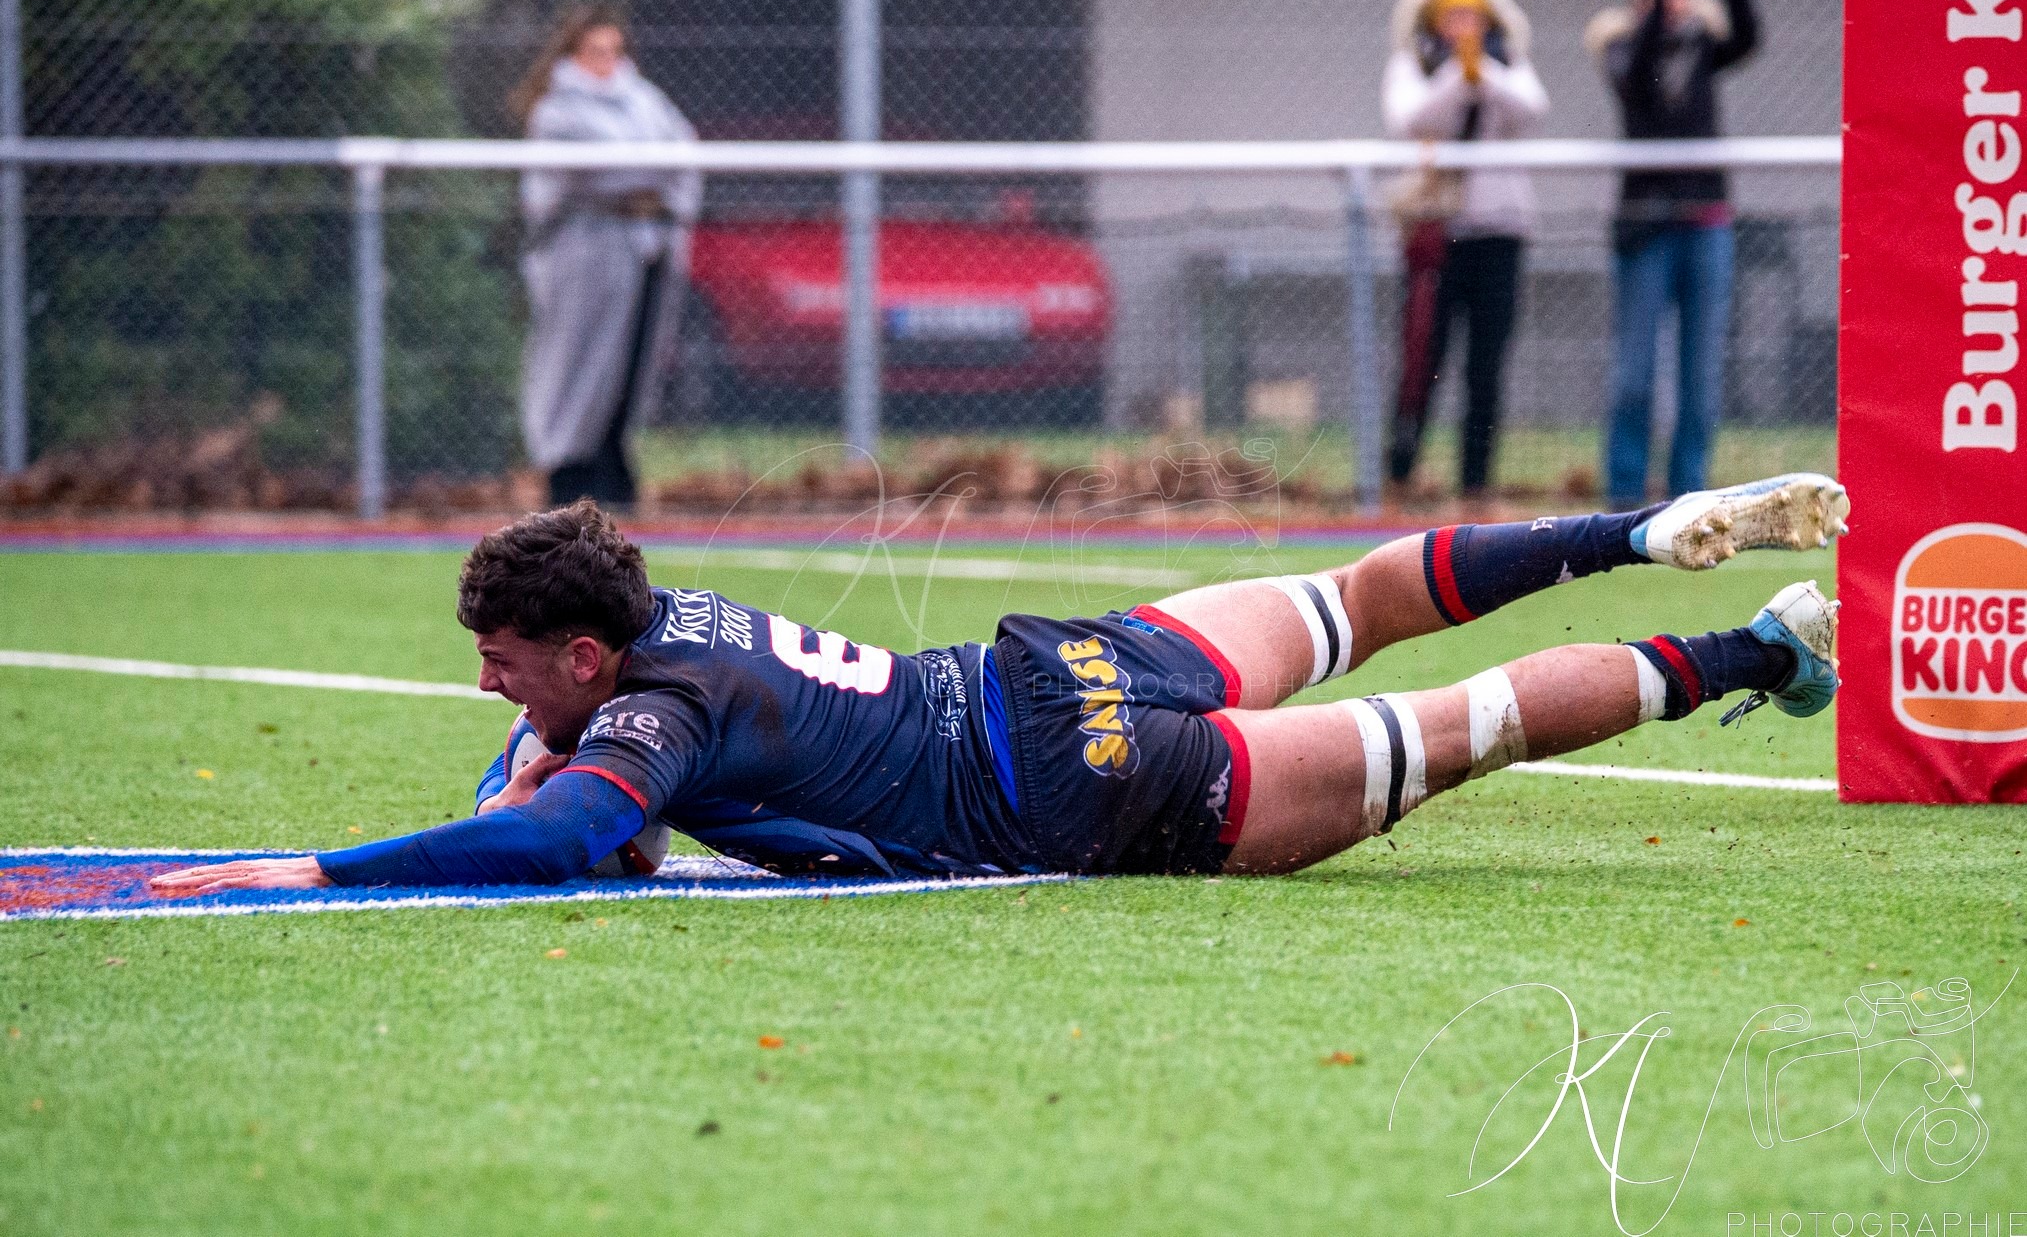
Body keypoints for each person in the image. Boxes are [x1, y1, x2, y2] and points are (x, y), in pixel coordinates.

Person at [151, 474, 1849, 894]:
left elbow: (569, 838)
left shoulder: (643, 717)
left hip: (1069, 786)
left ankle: (1756, 648)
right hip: (1055, 665)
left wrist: (321, 863)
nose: (485, 675)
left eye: (507, 662)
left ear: (587, 653)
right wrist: (526, 748)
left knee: (1453, 735)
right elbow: (569, 757)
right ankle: (1633, 522)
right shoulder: (667, 622)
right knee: (1350, 595)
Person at [1587, 0, 1762, 510]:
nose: (1672, 3)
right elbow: (1637, 74)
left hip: (1704, 224)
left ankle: (1691, 491)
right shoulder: (1622, 53)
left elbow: (1748, 35)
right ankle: (1625, 492)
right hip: (1647, 228)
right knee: (1634, 371)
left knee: (1700, 373)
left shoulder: (1704, 51)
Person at [509, 7, 703, 510]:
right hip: (583, 255)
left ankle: (613, 469)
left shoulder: (643, 99)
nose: (608, 62)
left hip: (646, 249)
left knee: (631, 364)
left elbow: (682, 152)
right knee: (577, 365)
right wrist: (646, 176)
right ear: (572, 54)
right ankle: (567, 473)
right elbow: (607, 171)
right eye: (596, 51)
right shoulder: (558, 111)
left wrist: (651, 184)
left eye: (615, 51)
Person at [1381, 0, 1550, 501]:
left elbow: (1531, 108)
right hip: (1438, 234)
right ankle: (1399, 474)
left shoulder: (1508, 61)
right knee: (1422, 360)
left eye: (1471, 14)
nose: (1462, 25)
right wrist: (1460, 76)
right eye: (1451, 14)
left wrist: (1486, 73)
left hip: (1499, 231)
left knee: (1486, 365)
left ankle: (1474, 483)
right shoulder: (1418, 64)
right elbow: (1411, 118)